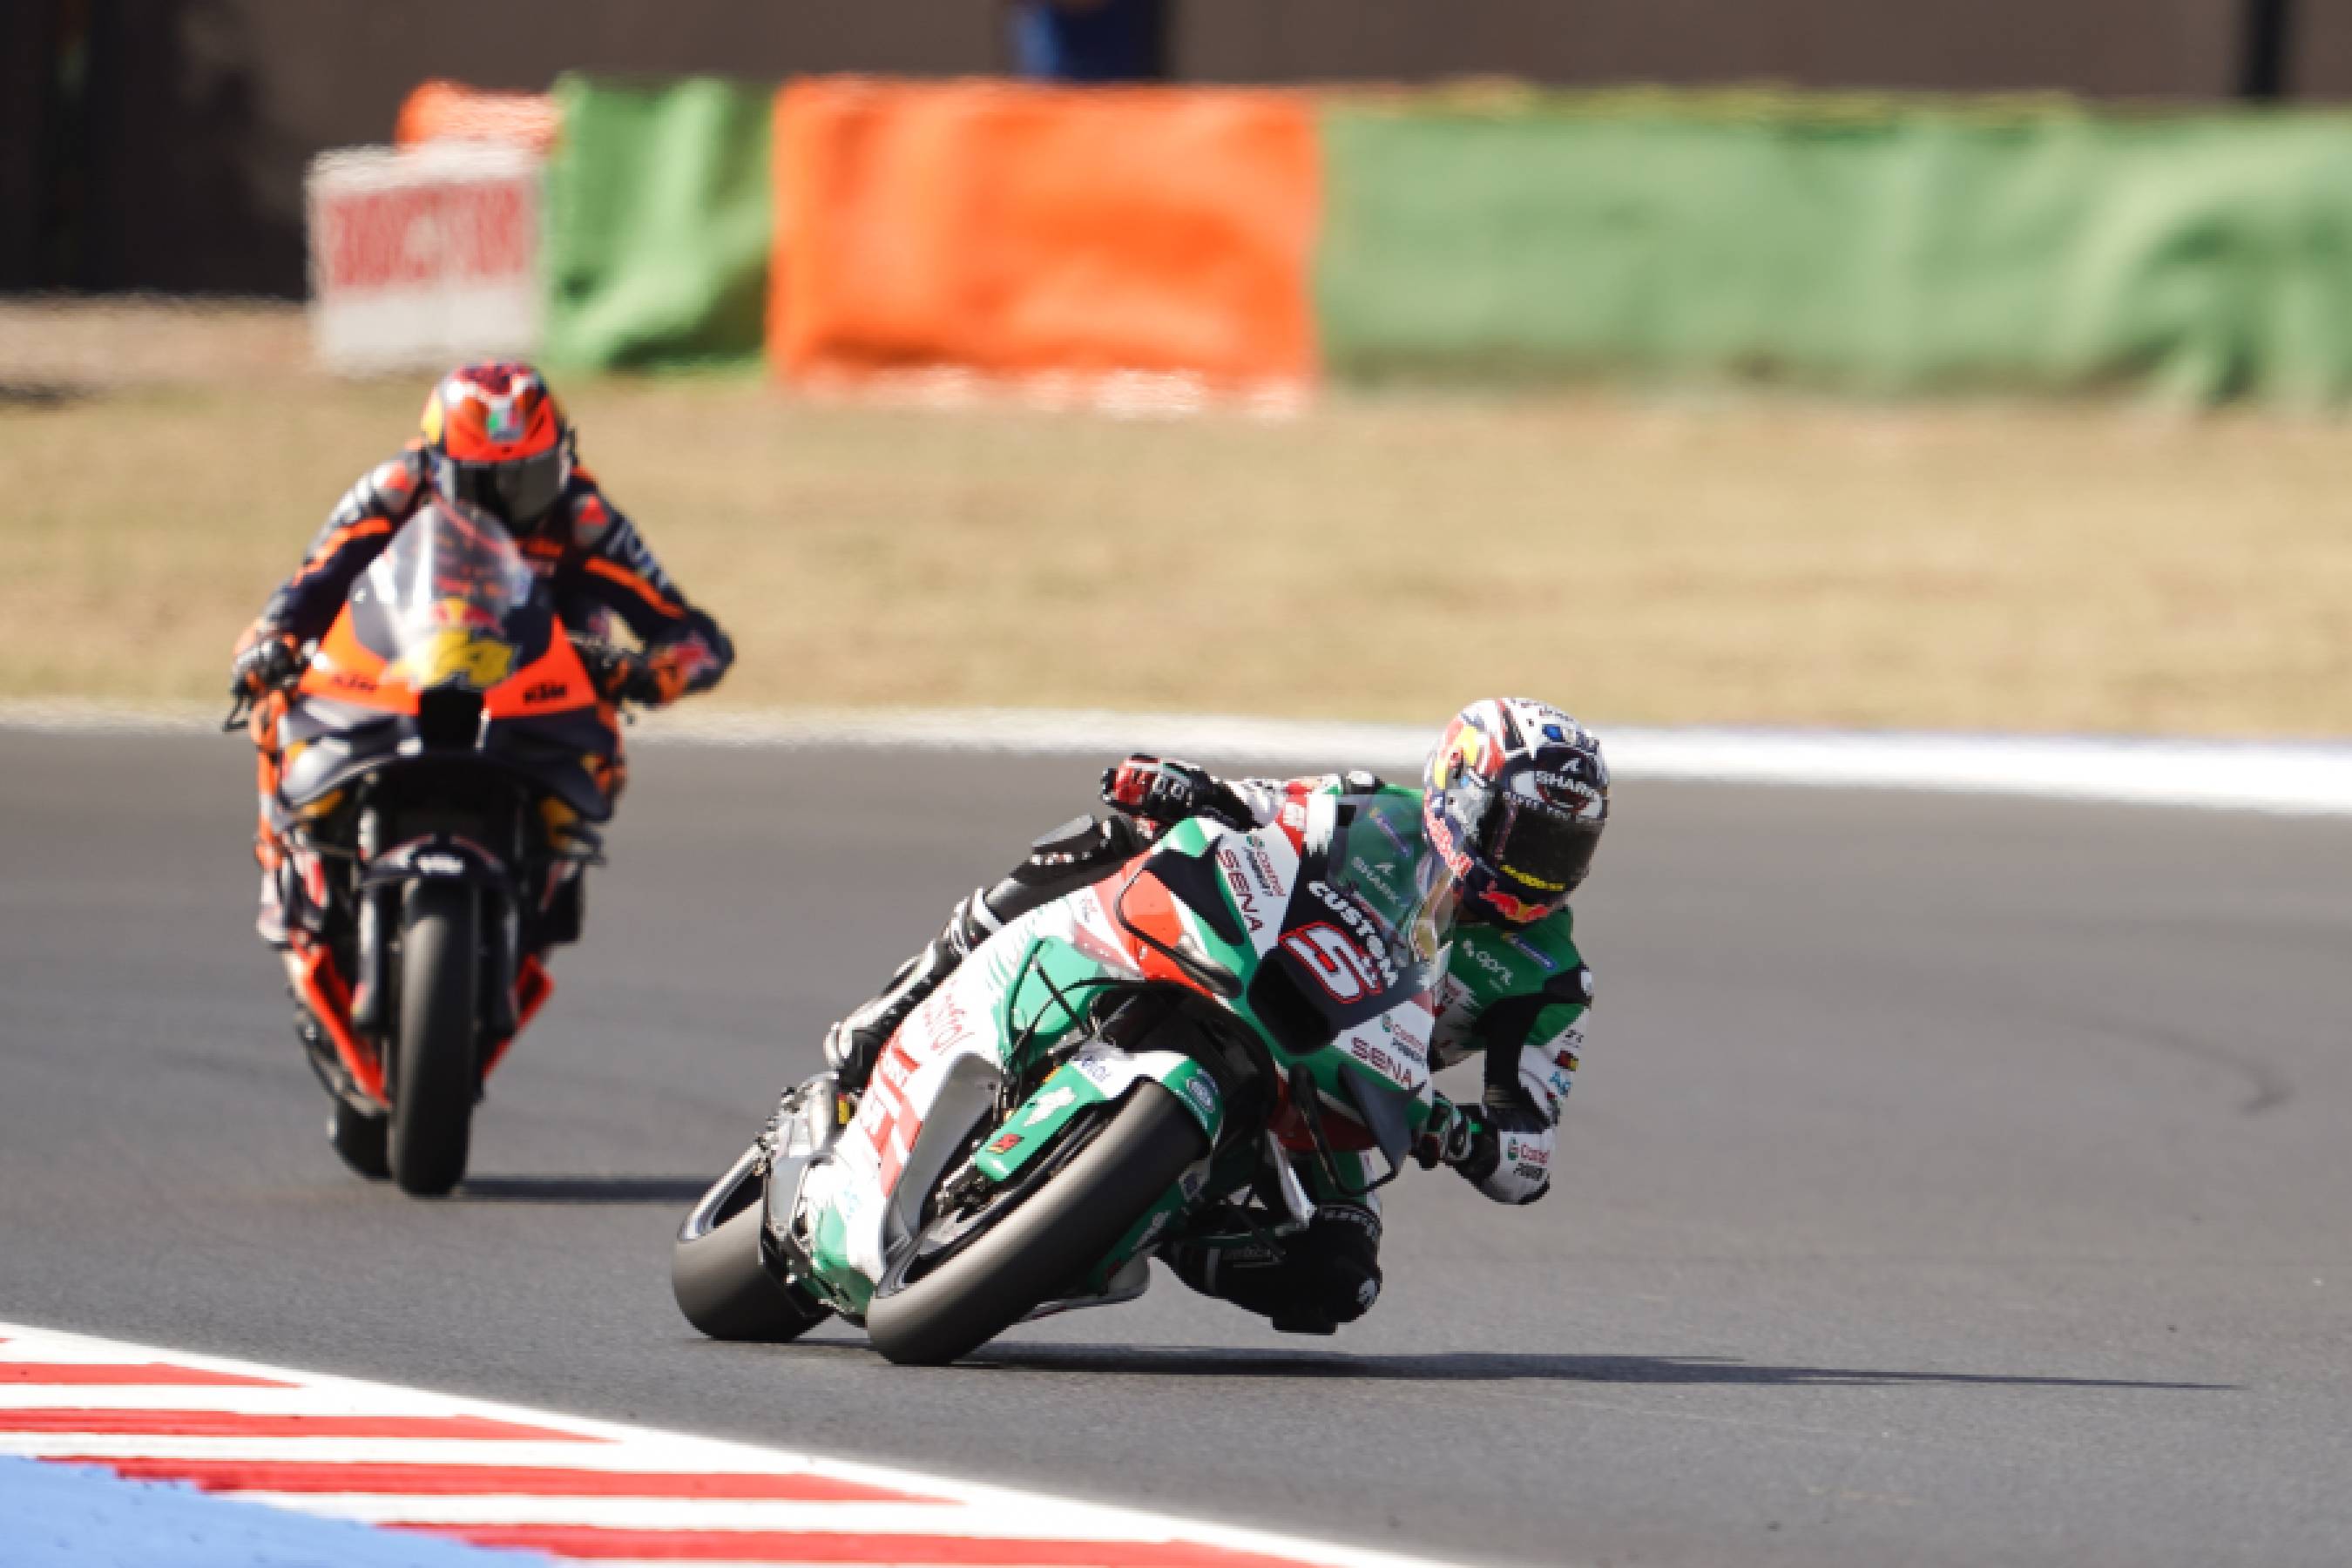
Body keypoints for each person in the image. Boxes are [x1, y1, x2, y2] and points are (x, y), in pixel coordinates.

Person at [821, 697, 1605, 1335]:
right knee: (1114, 840)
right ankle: (898, 1005)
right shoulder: (1369, 805)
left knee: (1337, 1281)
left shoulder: (1552, 977)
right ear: (1460, 796)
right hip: (1243, 972)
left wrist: (1459, 1134)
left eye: (1564, 850)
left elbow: (1528, 1160)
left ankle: (1145, 1220)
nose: (1541, 870)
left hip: (1336, 1102)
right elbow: (1256, 804)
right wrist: (1182, 788)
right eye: (1527, 838)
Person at [230, 362, 734, 944]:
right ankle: (287, 864)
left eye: (533, 477)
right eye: (483, 484)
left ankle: (549, 873)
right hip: (399, 667)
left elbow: (697, 637)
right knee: (274, 700)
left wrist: (655, 674)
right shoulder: (396, 489)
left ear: (562, 458)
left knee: (607, 741)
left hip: (540, 685)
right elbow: (304, 588)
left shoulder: (581, 514)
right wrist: (271, 642)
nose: (511, 504)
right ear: (436, 464)